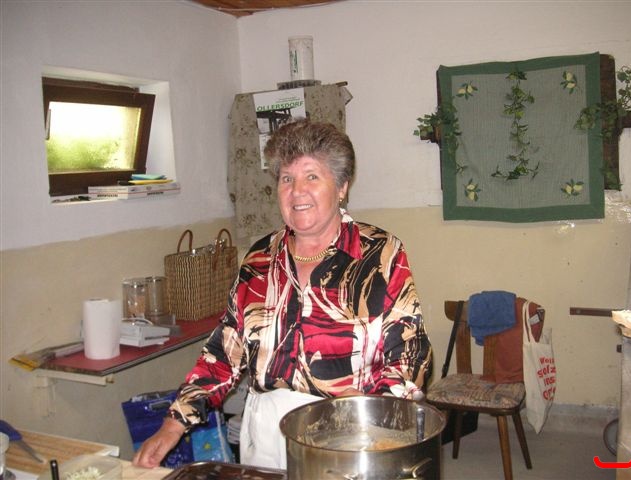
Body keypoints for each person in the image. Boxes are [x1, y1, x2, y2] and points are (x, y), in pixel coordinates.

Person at [133, 119, 432, 470]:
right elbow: (224, 351)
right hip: (267, 433)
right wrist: (174, 423)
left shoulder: (379, 253)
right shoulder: (260, 259)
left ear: (342, 187)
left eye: (312, 176)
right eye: (287, 179)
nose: (297, 191)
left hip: (351, 434)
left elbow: (410, 352)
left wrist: (372, 422)